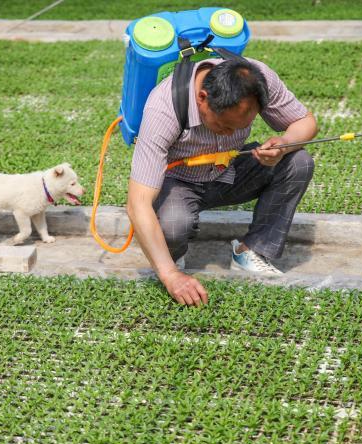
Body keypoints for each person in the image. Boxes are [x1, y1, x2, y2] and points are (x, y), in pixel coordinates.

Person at [126, 56, 318, 307]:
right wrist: (170, 275)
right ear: (202, 98)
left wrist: (283, 144)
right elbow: (137, 203)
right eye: (224, 126)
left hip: (228, 170)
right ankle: (173, 259)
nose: (231, 133)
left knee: (298, 161)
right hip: (178, 181)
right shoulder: (163, 109)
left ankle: (252, 250)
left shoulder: (257, 80)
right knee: (173, 226)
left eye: (241, 127)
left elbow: (305, 121)